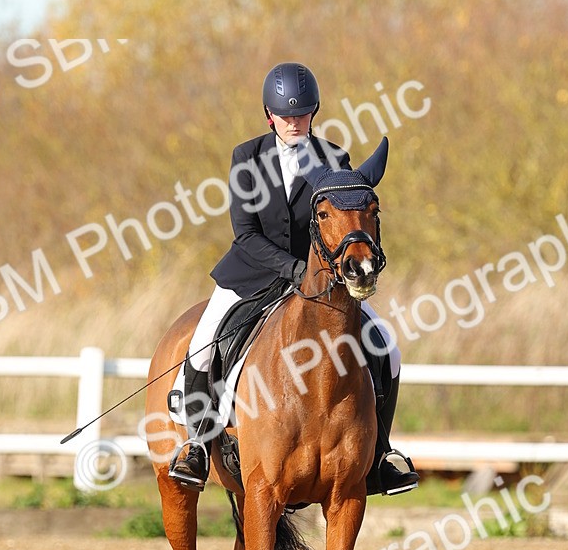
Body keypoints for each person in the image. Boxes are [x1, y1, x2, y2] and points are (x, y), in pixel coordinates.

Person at [169, 61, 418, 496]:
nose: (294, 122)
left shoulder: (333, 159)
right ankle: (196, 446)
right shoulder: (246, 158)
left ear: (313, 112)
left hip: (321, 283)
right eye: (285, 115)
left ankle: (381, 453)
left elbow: (340, 226)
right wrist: (293, 269)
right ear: (269, 115)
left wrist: (323, 271)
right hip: (251, 273)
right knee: (203, 344)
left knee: (388, 347)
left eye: (302, 114)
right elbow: (245, 234)